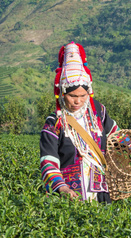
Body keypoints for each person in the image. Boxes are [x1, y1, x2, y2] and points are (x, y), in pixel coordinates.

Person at [40, 42, 120, 203]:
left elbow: (115, 133)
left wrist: (130, 147)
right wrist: (62, 187)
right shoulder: (54, 123)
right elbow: (48, 161)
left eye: (83, 96)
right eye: (72, 96)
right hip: (71, 192)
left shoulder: (97, 111)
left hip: (102, 190)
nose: (78, 101)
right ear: (62, 94)